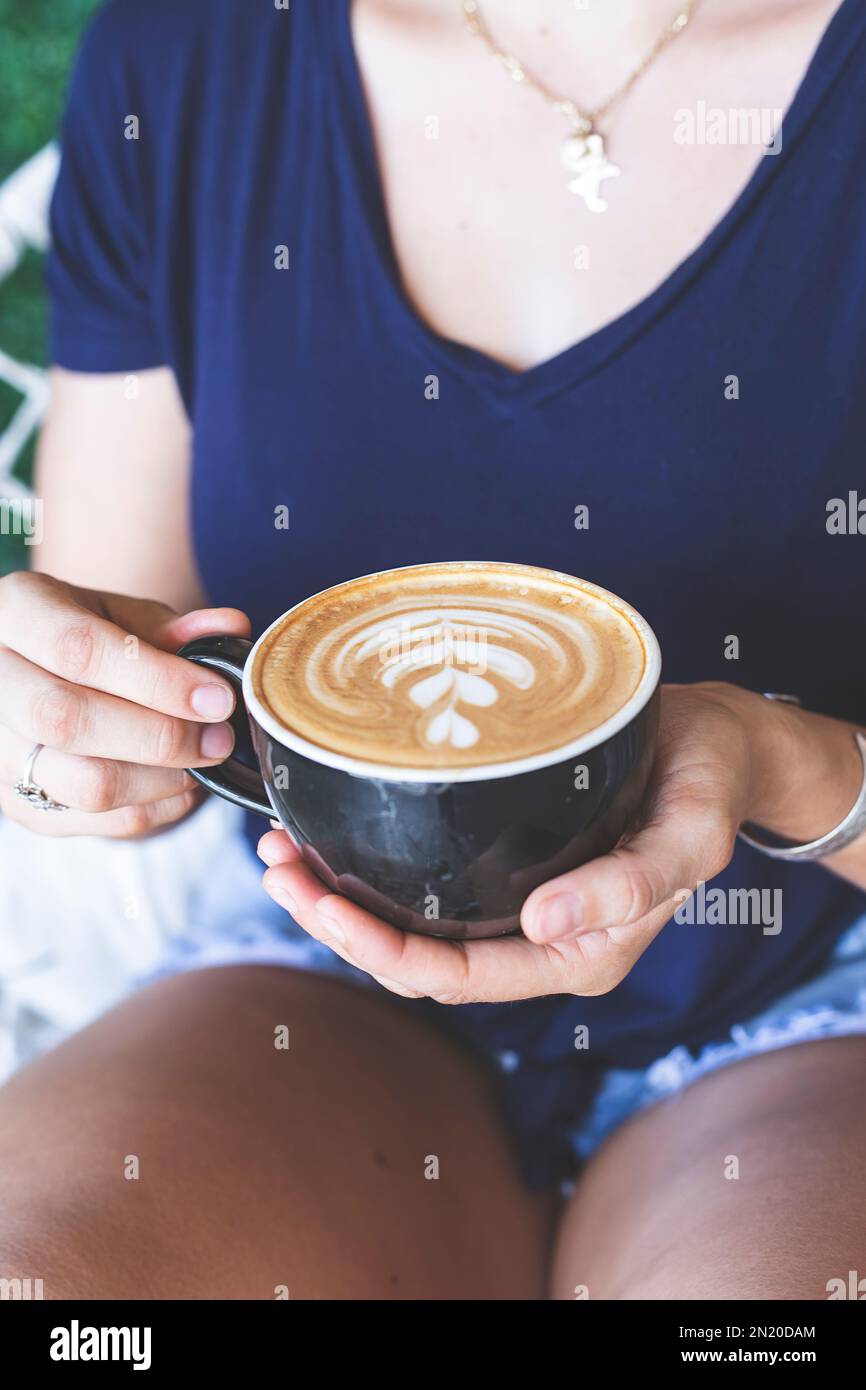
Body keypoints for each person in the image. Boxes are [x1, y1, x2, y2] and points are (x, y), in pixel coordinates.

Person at [0, 0, 864, 1300]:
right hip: (313, 970)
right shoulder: (189, 49)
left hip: (809, 980)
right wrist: (68, 736)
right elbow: (120, 669)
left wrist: (785, 769)